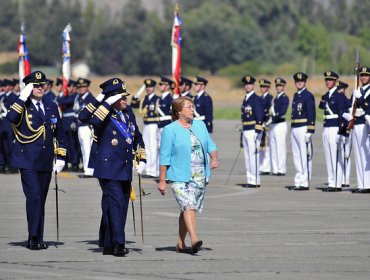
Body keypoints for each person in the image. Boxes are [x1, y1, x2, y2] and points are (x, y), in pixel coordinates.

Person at [80, 77, 146, 256]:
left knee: (119, 205)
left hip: (124, 166)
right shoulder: (104, 112)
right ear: (112, 98)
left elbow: (136, 136)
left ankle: (108, 244)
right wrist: (104, 100)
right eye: (121, 97)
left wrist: (142, 157)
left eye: (126, 96)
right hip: (108, 168)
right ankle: (119, 243)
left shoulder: (128, 112)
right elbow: (86, 119)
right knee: (116, 203)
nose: (126, 100)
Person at [6, 71, 66, 250]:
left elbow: (59, 133)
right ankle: (33, 237)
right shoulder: (20, 105)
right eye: (35, 85)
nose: (40, 88)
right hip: (27, 160)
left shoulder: (51, 106)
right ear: (29, 87)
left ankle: (38, 236)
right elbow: (10, 118)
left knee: (41, 200)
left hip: (46, 160)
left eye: (42, 85)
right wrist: (23, 95)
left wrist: (61, 157)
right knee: (34, 197)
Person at [158, 96, 218, 254]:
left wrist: (214, 158)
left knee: (188, 209)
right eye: (189, 107)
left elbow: (210, 145)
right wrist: (162, 180)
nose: (193, 110)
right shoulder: (170, 130)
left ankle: (180, 243)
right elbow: (164, 156)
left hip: (199, 175)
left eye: (193, 107)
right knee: (188, 205)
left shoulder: (200, 125)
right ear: (179, 112)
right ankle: (194, 238)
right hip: (179, 175)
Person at [319, 71, 348, 192]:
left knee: (336, 157)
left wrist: (342, 132)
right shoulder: (326, 95)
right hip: (327, 127)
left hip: (335, 128)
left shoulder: (339, 95)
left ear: (335, 81)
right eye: (326, 79)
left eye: (330, 80)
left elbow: (344, 114)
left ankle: (337, 183)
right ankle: (332, 182)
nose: (328, 82)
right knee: (329, 156)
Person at [288, 72, 316, 191]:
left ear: (305, 82)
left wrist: (310, 130)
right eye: (297, 81)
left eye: (301, 81)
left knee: (304, 156)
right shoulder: (296, 95)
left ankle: (304, 182)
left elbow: (311, 113)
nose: (299, 83)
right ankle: (298, 180)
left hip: (303, 127)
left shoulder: (308, 95)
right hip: (295, 126)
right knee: (296, 156)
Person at [346, 66, 370, 193]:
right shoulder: (358, 90)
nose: (363, 77)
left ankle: (368, 184)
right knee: (358, 155)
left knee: (365, 155)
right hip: (356, 124)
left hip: (365, 124)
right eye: (362, 75)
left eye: (366, 75)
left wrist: (360, 98)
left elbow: (367, 106)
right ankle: (361, 184)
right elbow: (350, 106)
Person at [131, 78, 160, 178]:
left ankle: (153, 171)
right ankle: (148, 169)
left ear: (154, 88)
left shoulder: (157, 99)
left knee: (153, 148)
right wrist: (138, 93)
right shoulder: (144, 99)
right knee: (146, 147)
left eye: (150, 87)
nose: (148, 89)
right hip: (146, 125)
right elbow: (133, 104)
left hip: (154, 125)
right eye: (147, 87)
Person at [240, 75, 264, 187]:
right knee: (247, 156)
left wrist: (257, 131)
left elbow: (260, 115)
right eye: (246, 84)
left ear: (253, 85)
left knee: (253, 155)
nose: (248, 86)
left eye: (250, 84)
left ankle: (255, 180)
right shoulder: (246, 98)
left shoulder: (256, 99)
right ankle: (250, 179)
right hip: (246, 129)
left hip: (253, 130)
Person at [270, 78, 289, 176]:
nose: (278, 87)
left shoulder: (284, 98)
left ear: (283, 87)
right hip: (273, 125)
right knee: (273, 147)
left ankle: (281, 169)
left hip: (280, 124)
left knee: (280, 147)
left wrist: (272, 119)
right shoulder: (276, 98)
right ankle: (275, 168)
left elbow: (282, 112)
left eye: (280, 86)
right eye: (277, 86)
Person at [337, 81, 351, 187]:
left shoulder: (346, 100)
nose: (340, 91)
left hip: (345, 129)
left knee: (346, 155)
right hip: (339, 128)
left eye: (341, 89)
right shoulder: (340, 99)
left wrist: (345, 128)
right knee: (342, 155)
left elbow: (348, 115)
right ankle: (343, 178)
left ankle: (346, 179)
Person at [258, 79, 273, 175]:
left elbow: (271, 112)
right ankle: (262, 166)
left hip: (267, 124)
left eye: (264, 87)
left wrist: (267, 122)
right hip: (261, 124)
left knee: (266, 147)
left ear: (268, 88)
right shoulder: (260, 98)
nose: (262, 88)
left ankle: (266, 168)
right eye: (261, 87)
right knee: (261, 146)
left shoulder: (269, 98)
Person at [157, 76, 174, 144]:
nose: (159, 86)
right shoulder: (160, 98)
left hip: (167, 126)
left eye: (161, 84)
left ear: (167, 86)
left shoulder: (170, 99)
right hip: (159, 125)